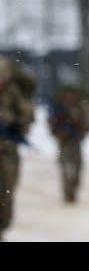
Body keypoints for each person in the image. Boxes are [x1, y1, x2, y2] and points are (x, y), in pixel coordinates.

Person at [0, 55, 36, 241]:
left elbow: (27, 114)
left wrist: (16, 125)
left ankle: (3, 227)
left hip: (7, 150)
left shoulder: (13, 92)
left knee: (7, 191)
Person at [48, 84, 89, 204]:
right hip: (63, 141)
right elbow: (52, 123)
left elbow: (86, 124)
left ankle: (72, 190)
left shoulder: (81, 107)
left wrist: (81, 128)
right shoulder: (58, 108)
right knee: (65, 168)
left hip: (76, 141)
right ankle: (67, 192)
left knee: (77, 167)